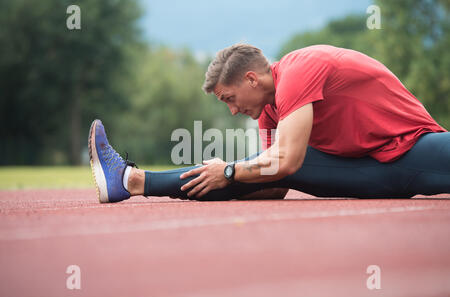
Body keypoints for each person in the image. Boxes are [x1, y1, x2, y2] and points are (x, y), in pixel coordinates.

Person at [88, 44, 449, 203]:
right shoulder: (269, 111)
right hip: (372, 168)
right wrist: (227, 178)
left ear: (251, 79)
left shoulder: (300, 69)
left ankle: (132, 181)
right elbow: (273, 180)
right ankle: (131, 182)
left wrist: (229, 172)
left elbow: (286, 163)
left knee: (272, 162)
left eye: (229, 98)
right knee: (258, 167)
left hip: (414, 149)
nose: (231, 111)